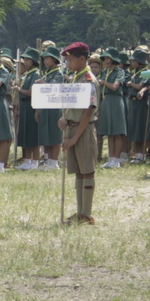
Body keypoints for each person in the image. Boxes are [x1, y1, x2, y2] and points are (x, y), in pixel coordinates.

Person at [58, 42, 98, 225]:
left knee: (87, 171)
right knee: (79, 172)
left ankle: (86, 213)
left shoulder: (88, 80)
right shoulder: (76, 78)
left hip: (83, 130)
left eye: (71, 60)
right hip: (72, 127)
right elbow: (72, 105)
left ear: (82, 59)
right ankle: (80, 211)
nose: (68, 63)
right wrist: (64, 118)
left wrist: (75, 138)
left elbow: (89, 110)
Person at [97, 49, 127, 168]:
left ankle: (116, 159)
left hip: (115, 101)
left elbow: (115, 87)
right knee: (109, 133)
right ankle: (110, 159)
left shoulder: (119, 71)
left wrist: (103, 82)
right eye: (104, 58)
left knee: (117, 132)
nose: (105, 60)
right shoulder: (104, 72)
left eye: (108, 58)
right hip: (105, 101)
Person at [13, 47, 42, 170]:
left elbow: (32, 92)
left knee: (32, 134)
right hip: (24, 105)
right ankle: (27, 159)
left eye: (28, 60)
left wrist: (19, 89)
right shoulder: (27, 74)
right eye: (24, 59)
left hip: (31, 105)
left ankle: (35, 161)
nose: (25, 62)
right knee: (26, 134)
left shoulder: (35, 74)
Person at [36, 45, 64, 170]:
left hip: (54, 108)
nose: (45, 61)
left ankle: (54, 161)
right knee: (45, 134)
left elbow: (55, 88)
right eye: (44, 59)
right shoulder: (46, 74)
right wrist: (37, 110)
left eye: (47, 58)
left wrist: (43, 84)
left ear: (54, 59)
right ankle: (47, 159)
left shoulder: (58, 74)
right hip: (44, 107)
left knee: (54, 134)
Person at [125, 48, 150, 164]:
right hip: (133, 102)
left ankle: (141, 153)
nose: (132, 62)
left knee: (140, 128)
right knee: (134, 127)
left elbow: (140, 86)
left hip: (140, 103)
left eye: (134, 60)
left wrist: (131, 84)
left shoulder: (145, 72)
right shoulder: (135, 72)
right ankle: (135, 153)